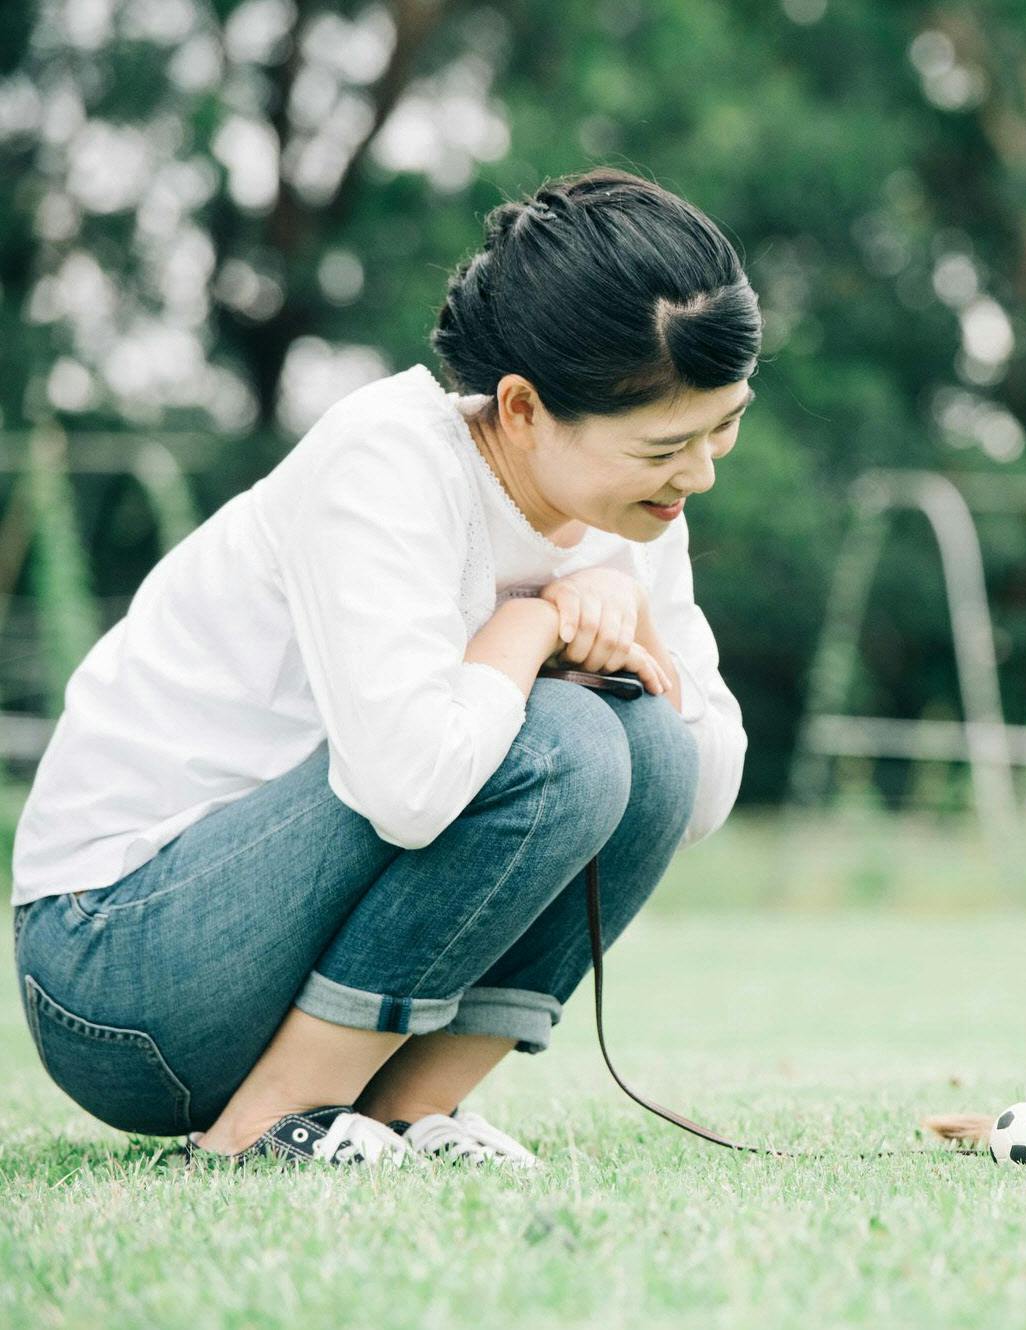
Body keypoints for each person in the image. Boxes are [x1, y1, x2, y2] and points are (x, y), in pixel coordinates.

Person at [10, 168, 754, 1168]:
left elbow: (696, 795)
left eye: (724, 425)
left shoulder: (638, 508)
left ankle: (405, 1115)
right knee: (568, 741)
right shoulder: (387, 464)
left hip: (274, 952)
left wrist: (642, 644)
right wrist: (532, 625)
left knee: (645, 744)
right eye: (668, 442)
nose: (701, 472)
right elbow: (407, 789)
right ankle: (262, 1128)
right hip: (120, 972)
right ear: (525, 408)